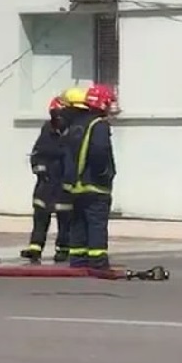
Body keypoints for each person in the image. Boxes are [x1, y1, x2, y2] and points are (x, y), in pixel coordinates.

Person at [61, 83, 117, 270]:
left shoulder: (76, 124)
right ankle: (98, 261)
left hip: (76, 186)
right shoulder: (99, 125)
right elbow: (100, 150)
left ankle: (78, 260)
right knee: (96, 223)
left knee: (78, 222)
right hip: (95, 184)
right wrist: (104, 173)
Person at [20, 95, 73, 263]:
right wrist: (40, 170)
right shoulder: (47, 130)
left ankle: (63, 249)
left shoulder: (73, 131)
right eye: (55, 114)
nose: (58, 118)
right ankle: (35, 248)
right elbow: (37, 154)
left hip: (64, 182)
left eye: (61, 114)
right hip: (46, 182)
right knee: (40, 216)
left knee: (65, 217)